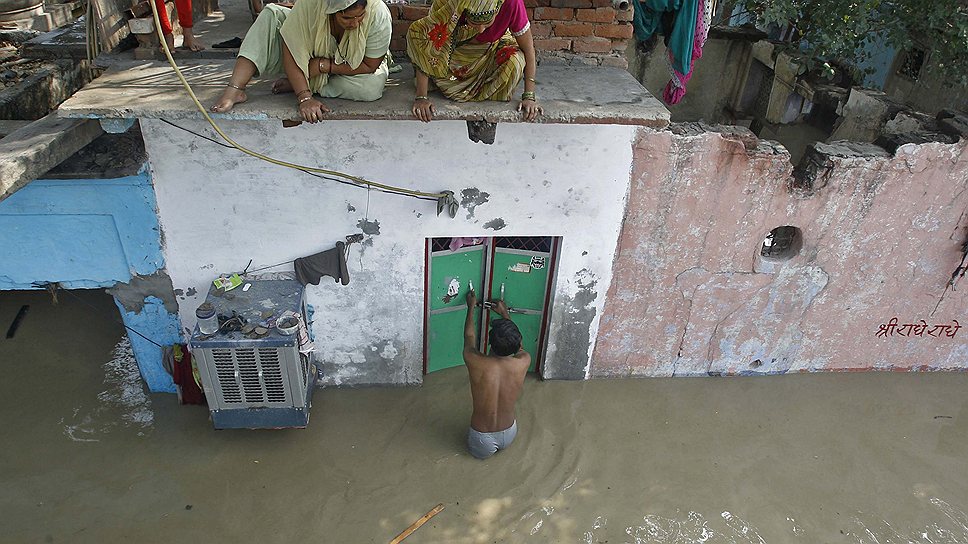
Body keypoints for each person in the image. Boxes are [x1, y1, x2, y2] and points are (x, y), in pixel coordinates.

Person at [211, 0, 392, 123]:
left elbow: (370, 65)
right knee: (270, 15)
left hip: (350, 68)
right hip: (304, 58)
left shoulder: (378, 13)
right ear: (330, 11)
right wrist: (304, 98)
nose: (354, 23)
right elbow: (291, 45)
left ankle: (298, 81)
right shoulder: (311, 5)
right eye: (346, 18)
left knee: (372, 87)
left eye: (360, 16)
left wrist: (323, 66)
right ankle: (235, 90)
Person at [406, 0, 543, 122]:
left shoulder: (511, 3)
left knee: (516, 60)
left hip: (492, 48)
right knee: (436, 66)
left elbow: (528, 49)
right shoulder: (448, 4)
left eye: (487, 23)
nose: (481, 30)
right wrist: (421, 97)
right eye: (474, 23)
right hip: (456, 56)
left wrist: (529, 97)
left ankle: (488, 98)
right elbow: (427, 48)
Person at [462, 289, 531, 460]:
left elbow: (469, 336)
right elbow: (517, 341)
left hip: (482, 437)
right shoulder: (523, 361)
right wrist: (504, 313)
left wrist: (470, 307)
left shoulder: (475, 361)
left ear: (489, 342)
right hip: (510, 432)